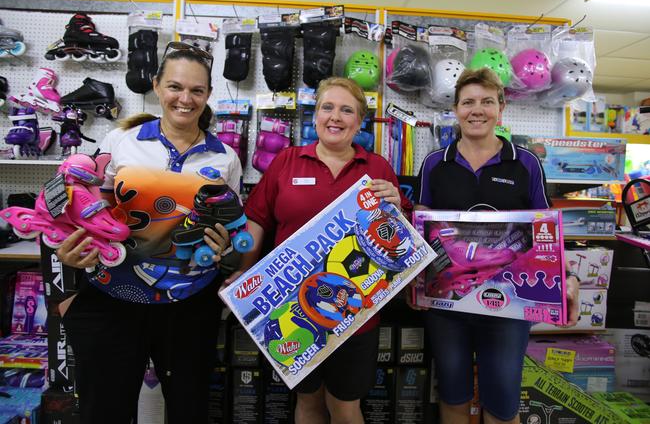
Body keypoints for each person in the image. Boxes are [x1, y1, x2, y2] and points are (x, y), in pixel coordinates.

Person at [55, 42, 242, 424]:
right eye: (175, 87)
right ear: (156, 86)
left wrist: (223, 247)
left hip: (188, 304)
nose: (185, 99)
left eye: (196, 90)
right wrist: (66, 265)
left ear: (208, 95)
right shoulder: (119, 142)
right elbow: (78, 208)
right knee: (104, 410)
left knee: (189, 409)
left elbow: (229, 224)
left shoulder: (225, 158)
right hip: (114, 297)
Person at [226, 77, 411, 424]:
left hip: (357, 313)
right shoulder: (286, 161)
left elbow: (398, 234)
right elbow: (257, 220)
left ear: (359, 122)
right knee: (308, 402)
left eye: (347, 110)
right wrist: (244, 271)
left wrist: (398, 204)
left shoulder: (377, 168)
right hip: (292, 311)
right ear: (315, 117)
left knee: (345, 406)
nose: (335, 117)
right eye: (328, 107)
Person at [415, 67, 580, 424]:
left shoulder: (525, 163)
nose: (477, 110)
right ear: (456, 109)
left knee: (503, 405)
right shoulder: (434, 165)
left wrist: (568, 278)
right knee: (454, 396)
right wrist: (417, 287)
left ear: (501, 108)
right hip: (449, 303)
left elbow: (544, 231)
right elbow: (422, 229)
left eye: (487, 102)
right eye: (468, 102)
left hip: (510, 302)